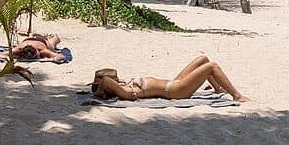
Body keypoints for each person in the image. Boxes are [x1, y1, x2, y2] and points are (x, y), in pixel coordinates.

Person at [92, 54, 246, 102]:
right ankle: (237, 96)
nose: (115, 77)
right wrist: (99, 91)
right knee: (212, 66)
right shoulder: (125, 92)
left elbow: (107, 80)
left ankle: (218, 88)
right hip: (176, 91)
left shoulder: (124, 84)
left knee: (203, 59)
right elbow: (106, 81)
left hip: (174, 82)